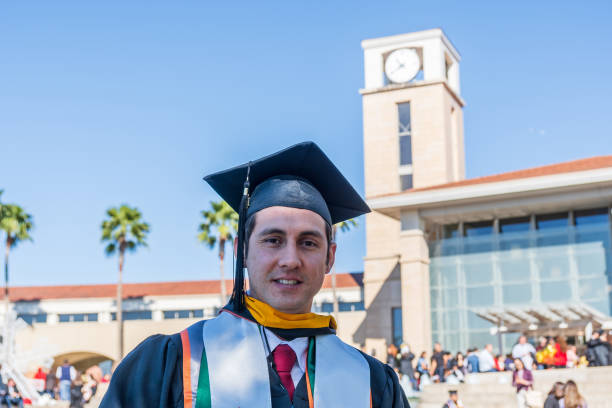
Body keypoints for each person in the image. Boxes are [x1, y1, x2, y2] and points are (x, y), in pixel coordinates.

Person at [100, 142, 409, 407]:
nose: (290, 260)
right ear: (242, 251)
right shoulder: (174, 362)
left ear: (330, 257)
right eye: (273, 240)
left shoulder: (372, 383)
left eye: (308, 243)